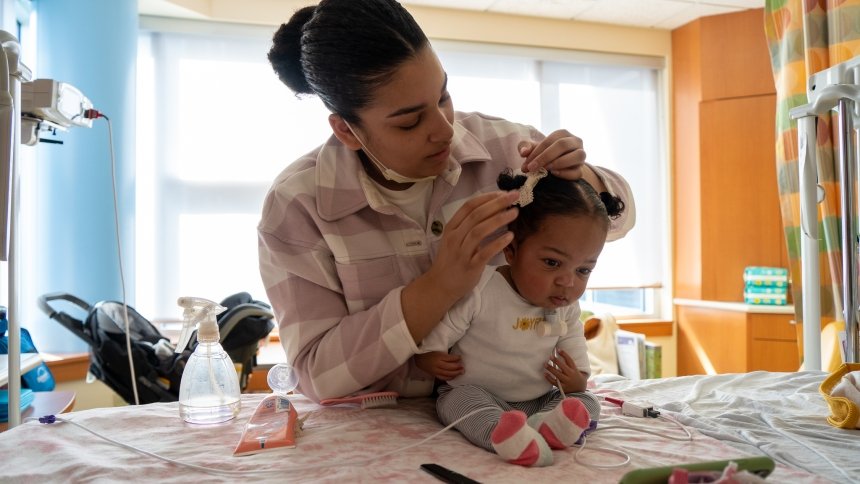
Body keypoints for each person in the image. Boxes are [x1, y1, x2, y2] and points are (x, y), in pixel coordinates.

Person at [259, 0, 635, 402]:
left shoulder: (506, 149)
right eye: (409, 121)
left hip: (520, 405)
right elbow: (318, 376)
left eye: (443, 97)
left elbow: (621, 216)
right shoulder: (297, 206)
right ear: (347, 130)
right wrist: (439, 286)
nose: (444, 130)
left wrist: (584, 177)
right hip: (388, 436)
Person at [415, 168, 624, 467]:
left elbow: (573, 345)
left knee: (587, 402)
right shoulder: (481, 289)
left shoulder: (565, 306)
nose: (568, 282)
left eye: (583, 270)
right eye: (552, 263)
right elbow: (439, 332)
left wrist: (577, 379)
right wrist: (429, 358)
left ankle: (547, 427)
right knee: (455, 401)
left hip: (539, 400)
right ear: (511, 251)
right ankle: (503, 434)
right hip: (479, 392)